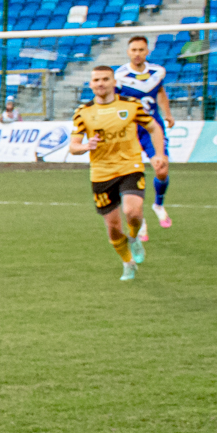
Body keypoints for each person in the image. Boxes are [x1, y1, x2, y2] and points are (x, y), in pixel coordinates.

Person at [68, 65, 168, 283]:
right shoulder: (83, 112)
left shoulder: (131, 105)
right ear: (91, 84)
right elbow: (73, 147)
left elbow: (154, 128)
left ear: (114, 82)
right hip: (101, 174)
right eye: (96, 80)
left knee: (132, 211)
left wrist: (159, 154)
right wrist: (85, 146)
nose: (101, 83)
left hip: (130, 167)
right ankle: (127, 263)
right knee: (113, 227)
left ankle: (134, 236)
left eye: (105, 79)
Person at [115, 34, 176, 233]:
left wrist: (167, 113)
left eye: (141, 50)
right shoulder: (120, 76)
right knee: (131, 175)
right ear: (128, 52)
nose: (137, 53)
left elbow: (160, 92)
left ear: (147, 51)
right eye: (134, 50)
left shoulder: (157, 72)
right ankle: (138, 218)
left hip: (153, 128)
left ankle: (158, 204)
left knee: (161, 169)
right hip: (130, 130)